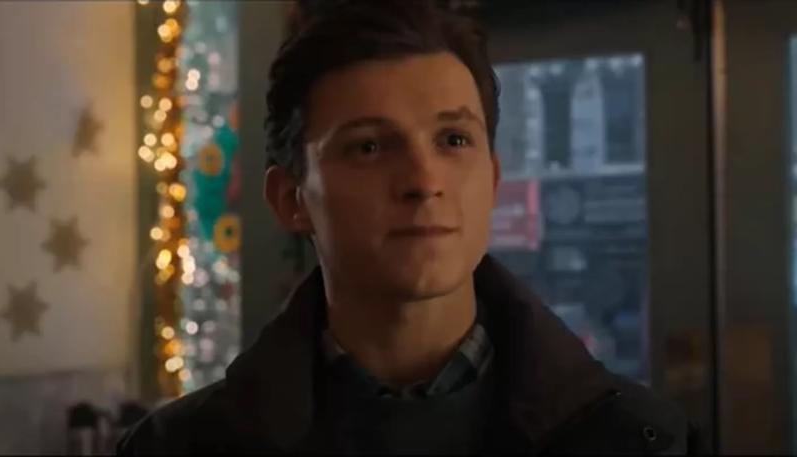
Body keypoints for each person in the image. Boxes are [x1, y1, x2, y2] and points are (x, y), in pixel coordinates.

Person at [118, 0, 701, 454]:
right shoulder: (182, 447)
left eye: (454, 140)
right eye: (369, 147)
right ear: (292, 199)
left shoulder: (636, 439)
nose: (423, 181)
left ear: (493, 179)